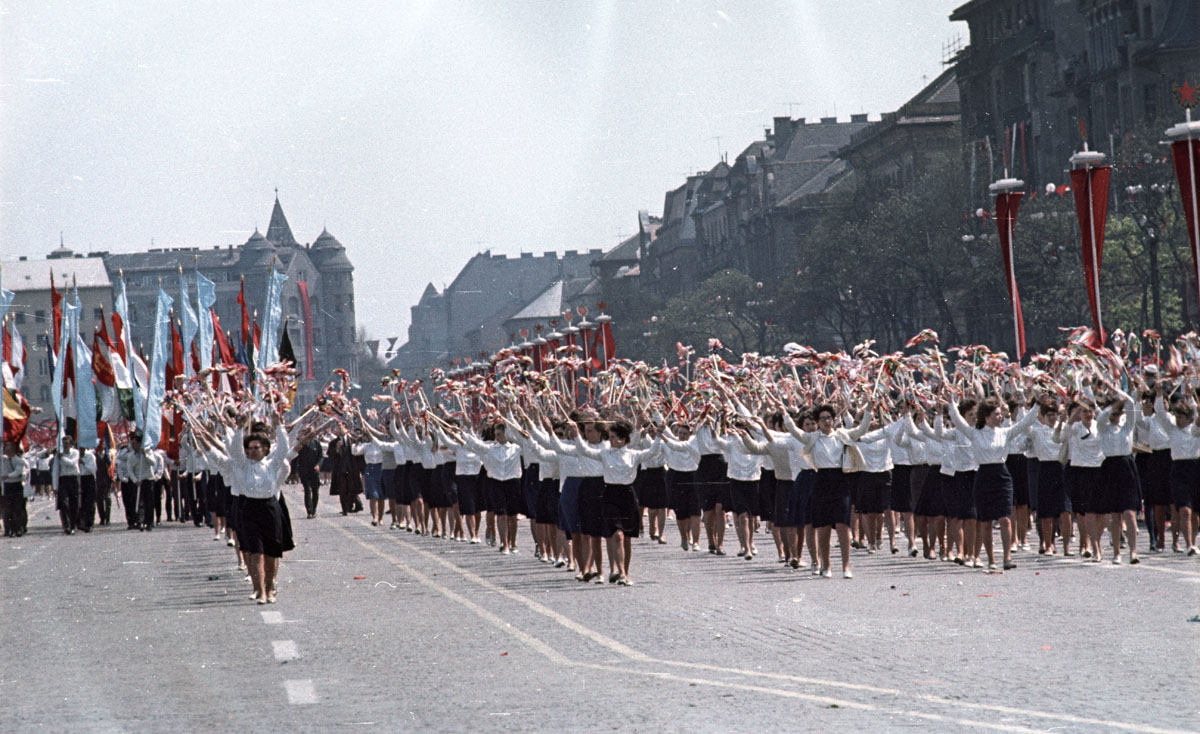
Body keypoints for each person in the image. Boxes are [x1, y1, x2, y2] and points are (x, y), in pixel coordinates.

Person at [53, 434, 83, 535]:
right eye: (63, 444)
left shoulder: (75, 453)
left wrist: (63, 458)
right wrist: (55, 486)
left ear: (71, 444)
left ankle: (73, 524)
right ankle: (67, 526)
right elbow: (56, 470)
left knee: (74, 503)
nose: (65, 446)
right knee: (64, 503)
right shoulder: (59, 455)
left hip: (74, 478)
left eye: (67, 443)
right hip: (63, 479)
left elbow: (72, 463)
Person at [2, 441, 29, 537]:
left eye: (8, 449)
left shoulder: (19, 461)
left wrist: (7, 475)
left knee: (17, 508)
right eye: (6, 448)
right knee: (8, 509)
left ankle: (18, 529)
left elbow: (17, 472)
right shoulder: (3, 460)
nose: (6, 450)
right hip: (7, 486)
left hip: (16, 485)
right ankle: (10, 529)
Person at [295, 436, 323, 519]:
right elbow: (295, 457)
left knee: (315, 491)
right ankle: (309, 511)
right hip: (304, 470)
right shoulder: (301, 443)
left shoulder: (316, 443)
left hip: (314, 471)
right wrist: (294, 472)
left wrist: (318, 465)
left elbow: (321, 456)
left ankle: (314, 509)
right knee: (307, 490)